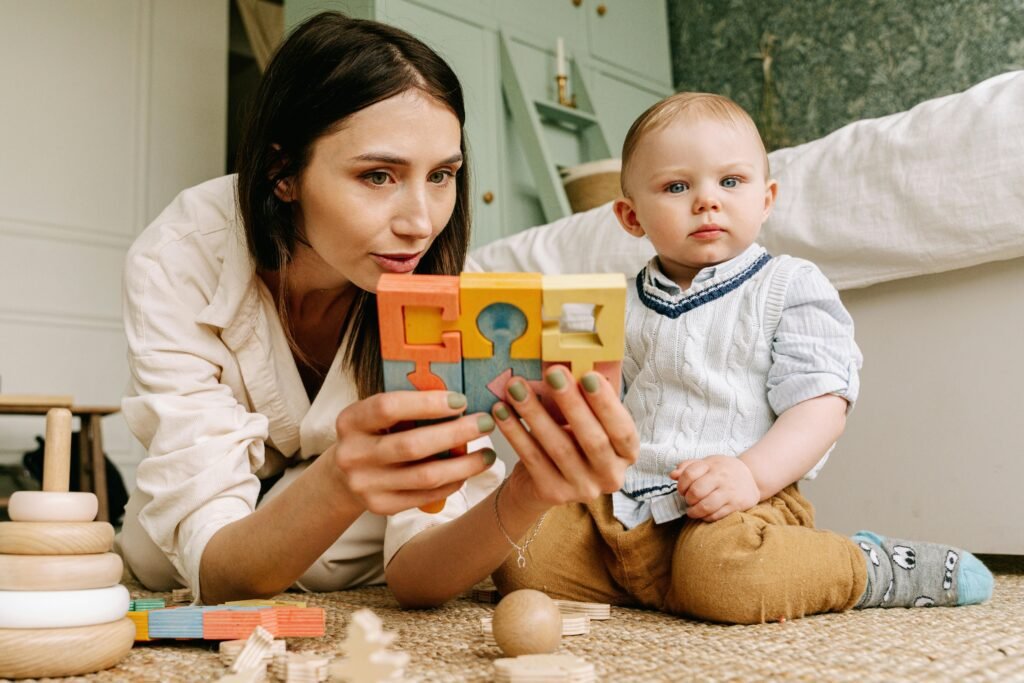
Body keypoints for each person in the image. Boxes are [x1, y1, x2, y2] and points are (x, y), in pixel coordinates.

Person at [117, 11, 638, 607]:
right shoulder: (176, 258)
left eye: (442, 175)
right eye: (378, 176)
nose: (420, 224)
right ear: (281, 171)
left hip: (349, 527)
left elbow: (419, 579)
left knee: (372, 525)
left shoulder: (442, 288)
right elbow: (216, 577)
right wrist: (341, 480)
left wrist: (530, 492)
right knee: (158, 555)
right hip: (220, 532)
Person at [492, 92, 993, 623]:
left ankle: (868, 567)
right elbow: (601, 405)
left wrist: (750, 476)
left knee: (728, 575)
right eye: (677, 186)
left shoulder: (788, 286)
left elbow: (822, 405)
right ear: (630, 215)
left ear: (766, 198)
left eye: (730, 182)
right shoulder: (613, 303)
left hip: (745, 504)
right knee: (521, 559)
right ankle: (665, 583)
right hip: (626, 506)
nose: (707, 200)